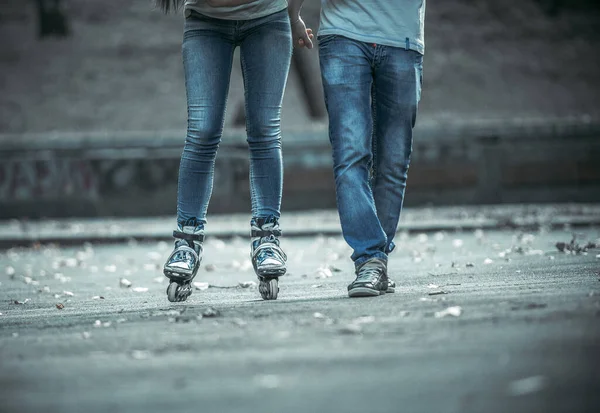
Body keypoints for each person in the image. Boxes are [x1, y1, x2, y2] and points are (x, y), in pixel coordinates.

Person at [156, 0, 301, 302]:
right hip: (206, 21)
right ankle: (186, 243)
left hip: (268, 17)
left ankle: (267, 239)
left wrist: (294, 13)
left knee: (264, 130)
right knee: (202, 130)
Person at [288, 0, 426, 297]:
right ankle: (370, 258)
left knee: (394, 160)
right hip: (343, 35)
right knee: (351, 154)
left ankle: (377, 263)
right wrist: (292, 13)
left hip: (402, 38)